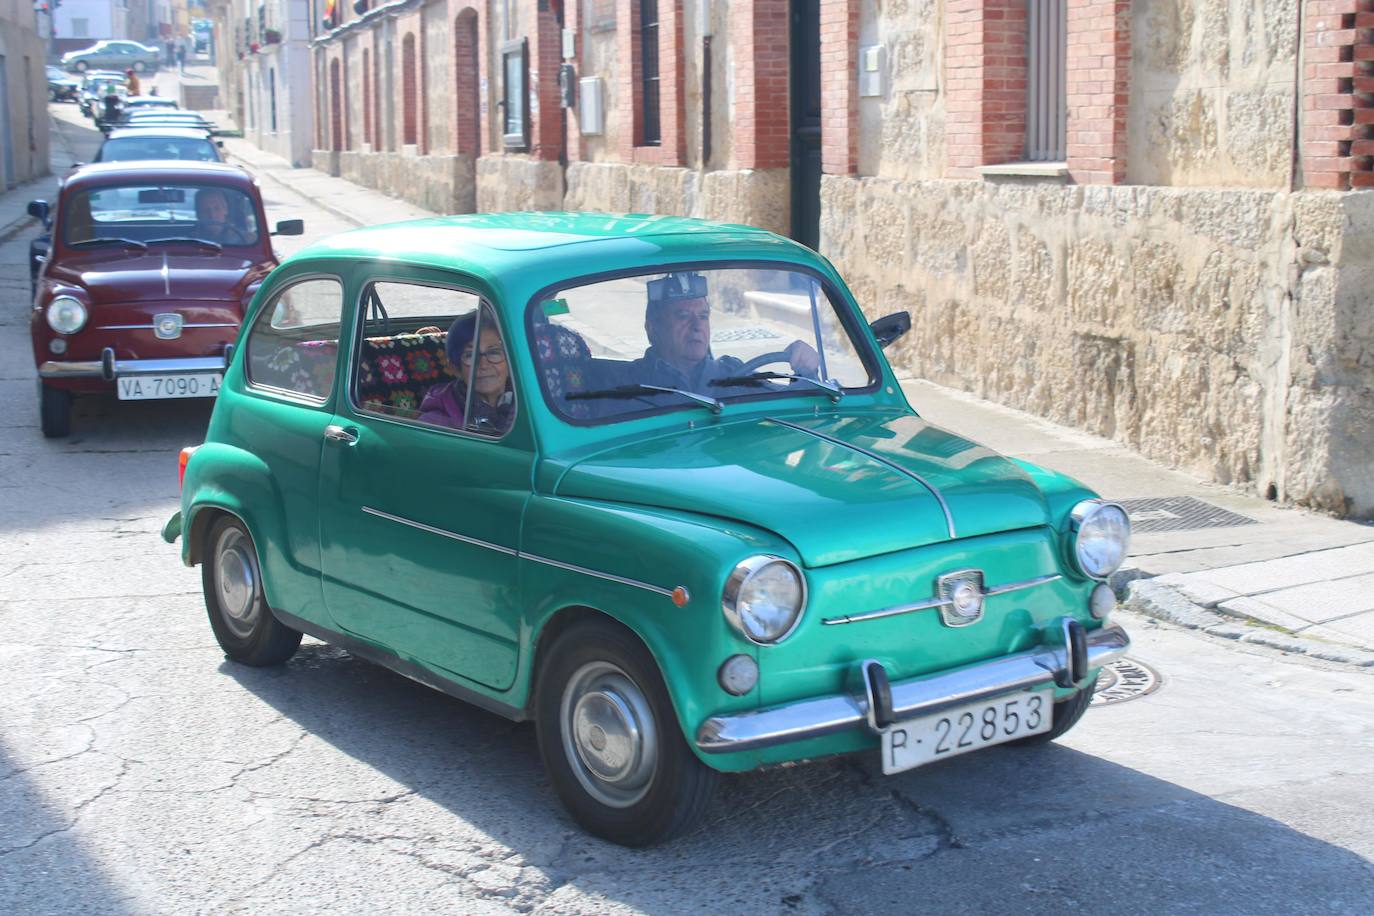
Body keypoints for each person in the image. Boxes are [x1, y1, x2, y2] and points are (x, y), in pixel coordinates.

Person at [603, 271, 820, 396]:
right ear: (652, 328)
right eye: (683, 316)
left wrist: (805, 368)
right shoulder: (627, 384)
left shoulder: (733, 374)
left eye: (704, 316)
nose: (697, 326)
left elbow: (789, 406)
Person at [418, 311, 514, 433]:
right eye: (471, 355)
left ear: (510, 363)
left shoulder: (531, 402)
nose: (483, 365)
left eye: (494, 352)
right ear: (455, 368)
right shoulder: (435, 425)